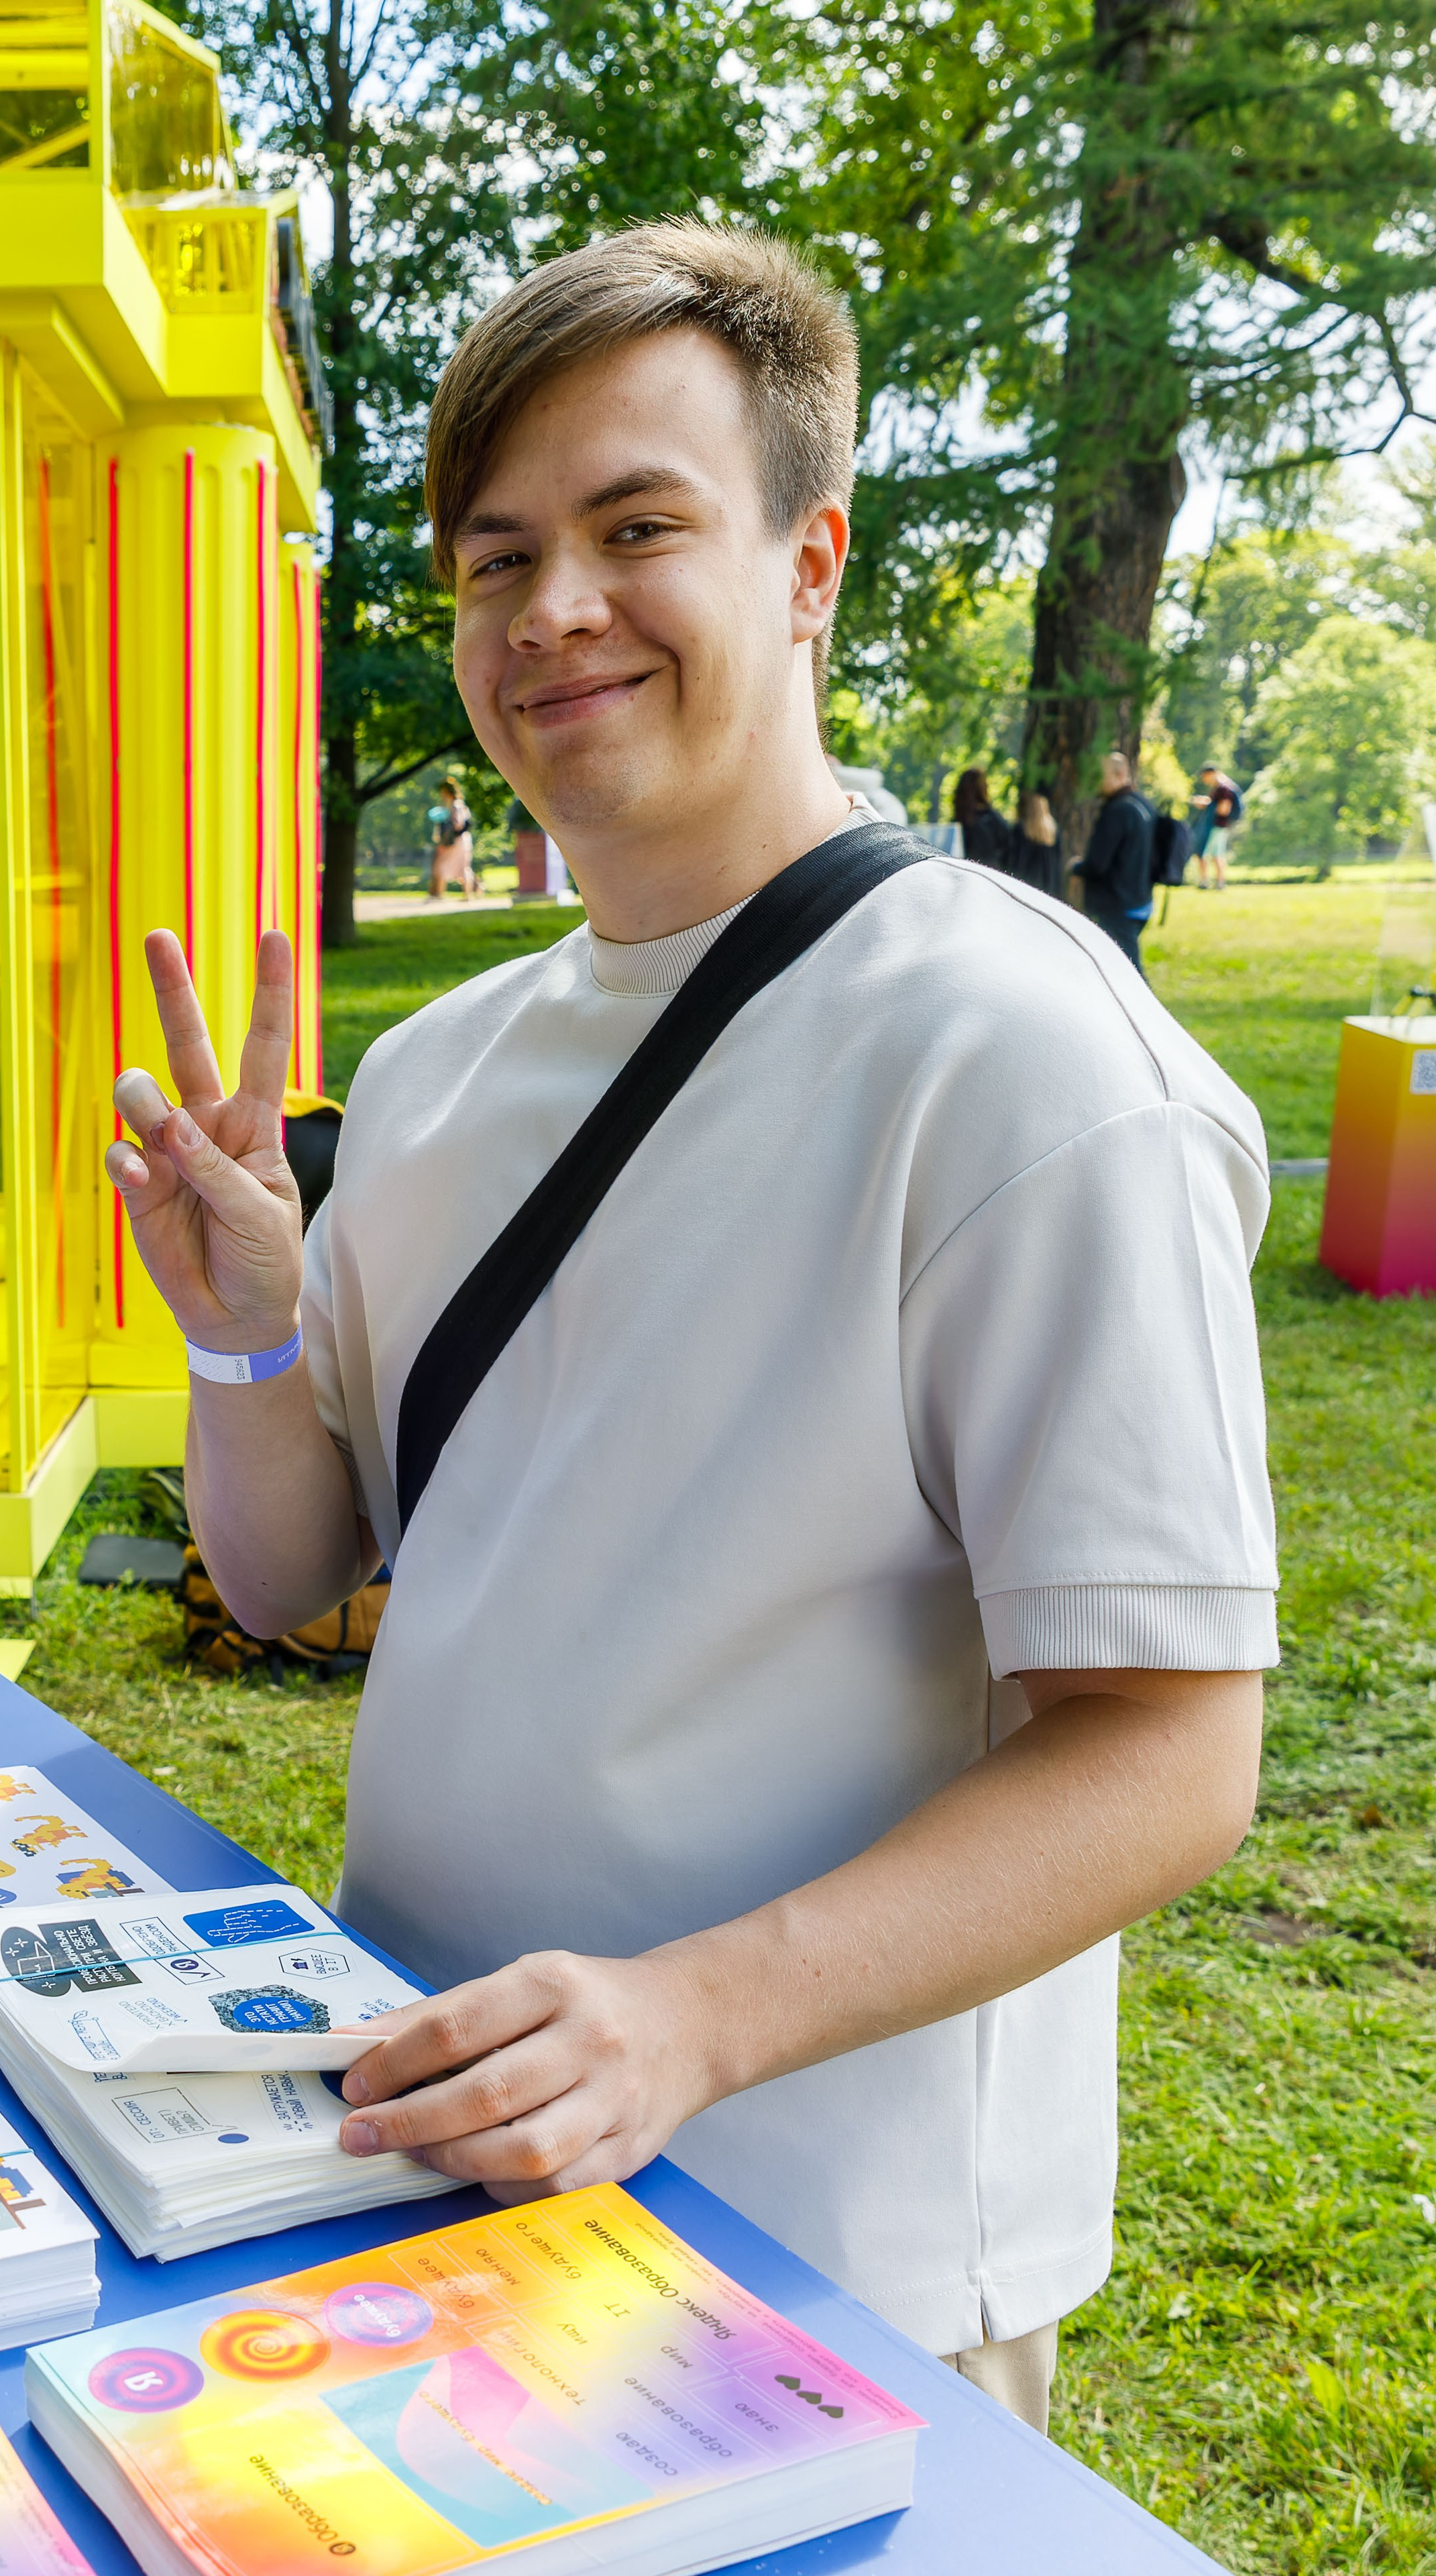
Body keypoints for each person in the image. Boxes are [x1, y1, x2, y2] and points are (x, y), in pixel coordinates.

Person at [105, 222, 1275, 2439]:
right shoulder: (432, 1075)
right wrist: (247, 1339)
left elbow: (1168, 1751)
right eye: (496, 558)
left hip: (826, 2260)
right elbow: (288, 1575)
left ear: (808, 563)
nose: (552, 609)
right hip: (414, 2163)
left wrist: (697, 2019)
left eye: (637, 528)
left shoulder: (1024, 1065)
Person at [1070, 751, 1156, 971]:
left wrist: (1077, 867)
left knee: (1127, 972)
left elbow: (1098, 864)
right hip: (1141, 900)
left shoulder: (1117, 810)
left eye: (1101, 775)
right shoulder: (1143, 805)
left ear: (1119, 775)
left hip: (1118, 905)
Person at [952, 767, 1015, 875]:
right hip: (990, 875)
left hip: (965, 875)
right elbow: (1009, 851)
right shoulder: (994, 819)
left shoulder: (958, 823)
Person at [427, 775, 478, 900]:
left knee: (446, 865)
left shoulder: (456, 805)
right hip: (460, 840)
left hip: (456, 840)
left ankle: (442, 894)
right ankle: (465, 894)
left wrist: (446, 830)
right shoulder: (455, 805)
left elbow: (458, 825)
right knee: (461, 866)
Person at [1193, 763, 1241, 890]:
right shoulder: (1219, 788)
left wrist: (1207, 805)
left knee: (1206, 853)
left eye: (1205, 776)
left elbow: (1224, 809)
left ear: (1212, 773)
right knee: (1217, 854)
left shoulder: (1223, 788)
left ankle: (1208, 882)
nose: (1204, 780)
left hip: (1217, 826)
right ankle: (1218, 883)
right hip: (1219, 826)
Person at [1012, 789, 1062, 898]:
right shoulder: (1053, 831)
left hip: (1026, 887)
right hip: (1049, 889)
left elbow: (1016, 862)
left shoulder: (1021, 830)